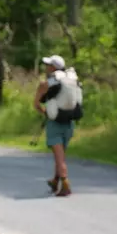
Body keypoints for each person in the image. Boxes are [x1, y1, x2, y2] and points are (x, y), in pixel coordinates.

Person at [33, 54, 82, 197]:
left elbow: (36, 104)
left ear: (53, 68)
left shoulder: (45, 84)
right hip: (69, 123)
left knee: (59, 158)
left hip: (54, 124)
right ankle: (55, 181)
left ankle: (65, 184)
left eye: (48, 65)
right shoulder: (73, 81)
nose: (46, 67)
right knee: (60, 156)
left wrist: (46, 113)